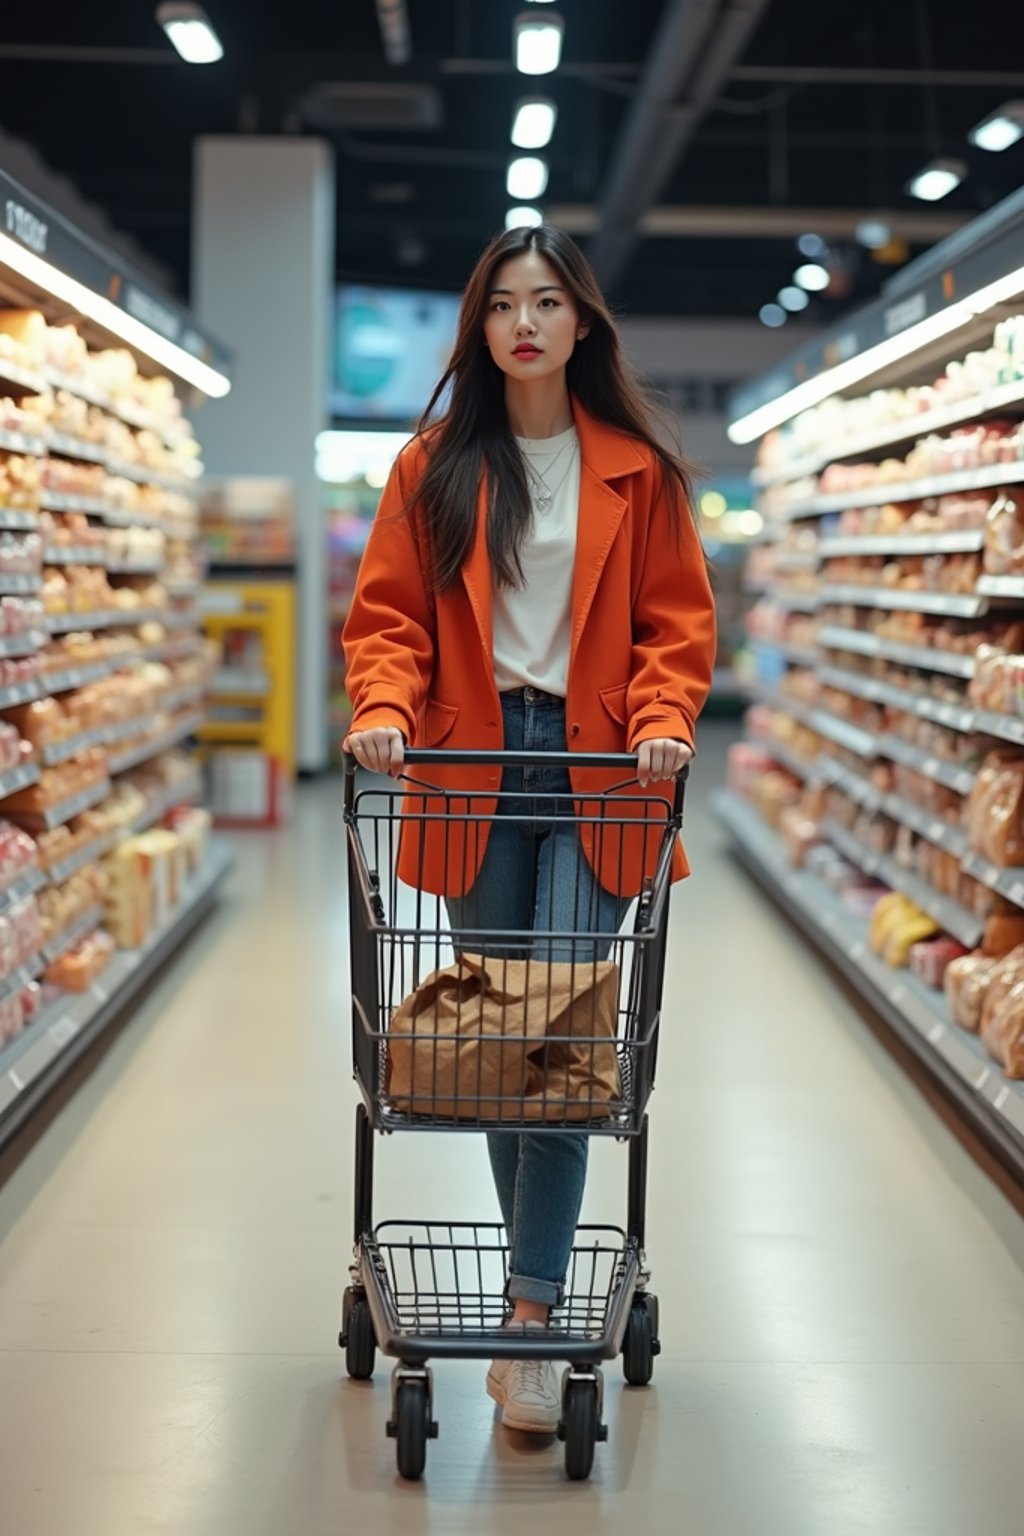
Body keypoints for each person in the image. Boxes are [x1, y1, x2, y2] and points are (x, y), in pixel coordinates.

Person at [343, 223, 716, 1435]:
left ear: (580, 323)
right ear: (481, 326)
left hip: (605, 768)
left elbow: (676, 627)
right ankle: (531, 1295)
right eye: (503, 303)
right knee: (508, 1045)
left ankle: (531, 1315)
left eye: (547, 301)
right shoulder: (433, 465)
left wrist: (662, 719)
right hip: (468, 764)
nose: (525, 322)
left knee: (559, 1038)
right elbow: (386, 615)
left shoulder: (638, 472)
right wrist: (386, 709)